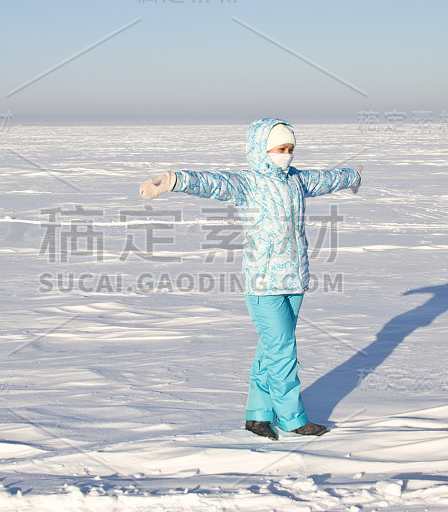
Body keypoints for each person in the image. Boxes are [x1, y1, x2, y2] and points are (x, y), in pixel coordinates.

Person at [139, 118, 362, 440]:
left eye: (290, 149)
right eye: (280, 149)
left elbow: (327, 178)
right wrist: (174, 180)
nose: (286, 154)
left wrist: (353, 175)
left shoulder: (297, 181)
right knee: (283, 349)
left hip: (295, 278)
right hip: (263, 282)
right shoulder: (249, 183)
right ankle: (291, 418)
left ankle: (257, 416)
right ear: (262, 149)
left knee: (270, 349)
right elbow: (213, 182)